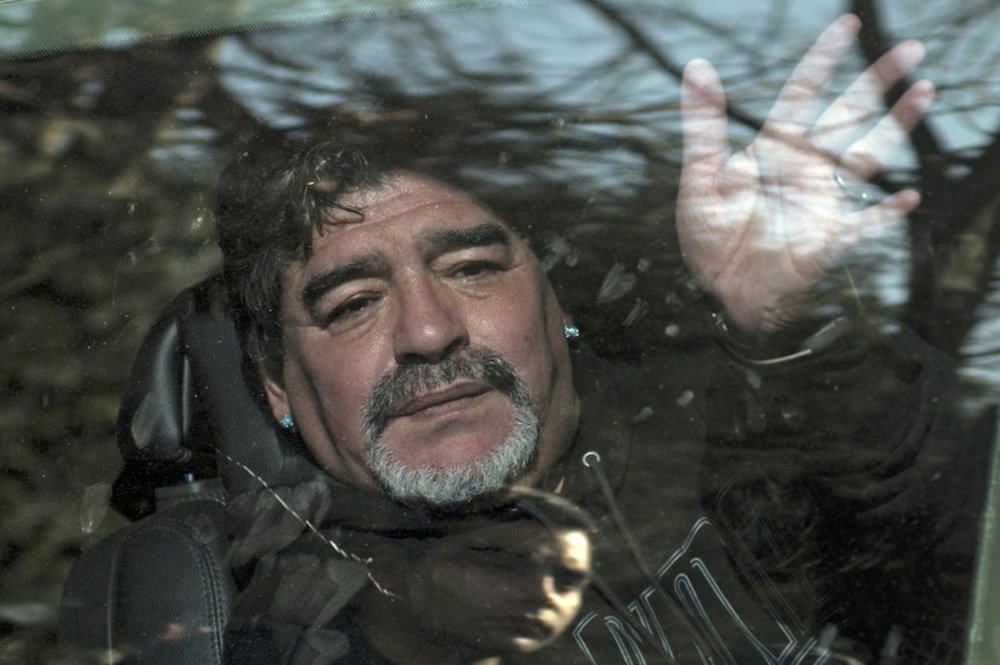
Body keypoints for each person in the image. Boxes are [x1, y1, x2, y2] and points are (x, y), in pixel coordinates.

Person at [217, 15, 958, 664]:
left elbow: (923, 514)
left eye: (471, 266)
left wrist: (798, 331)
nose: (429, 331)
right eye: (352, 304)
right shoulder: (245, 631)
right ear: (276, 382)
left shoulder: (725, 439)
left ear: (554, 297)